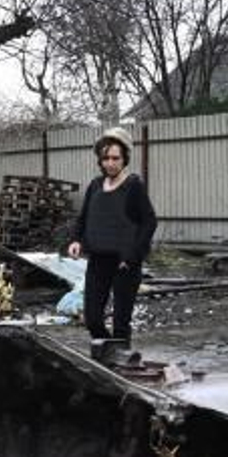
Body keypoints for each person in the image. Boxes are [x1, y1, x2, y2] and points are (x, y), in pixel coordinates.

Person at [68, 127, 157, 358]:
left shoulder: (134, 186)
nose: (110, 163)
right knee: (93, 318)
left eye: (115, 158)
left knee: (120, 325)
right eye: (105, 158)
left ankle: (121, 366)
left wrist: (133, 256)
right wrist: (77, 240)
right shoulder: (95, 185)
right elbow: (84, 217)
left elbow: (149, 223)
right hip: (98, 260)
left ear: (125, 158)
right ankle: (114, 356)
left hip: (124, 264)